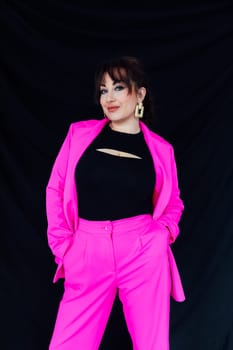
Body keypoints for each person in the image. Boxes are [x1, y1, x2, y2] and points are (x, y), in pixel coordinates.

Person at [46, 55, 185, 350]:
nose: (108, 97)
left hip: (143, 250)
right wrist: (63, 247)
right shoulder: (79, 135)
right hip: (86, 249)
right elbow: (56, 189)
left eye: (118, 88)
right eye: (103, 90)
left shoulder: (161, 150)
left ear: (140, 94)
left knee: (152, 344)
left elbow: (173, 203)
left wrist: (163, 234)